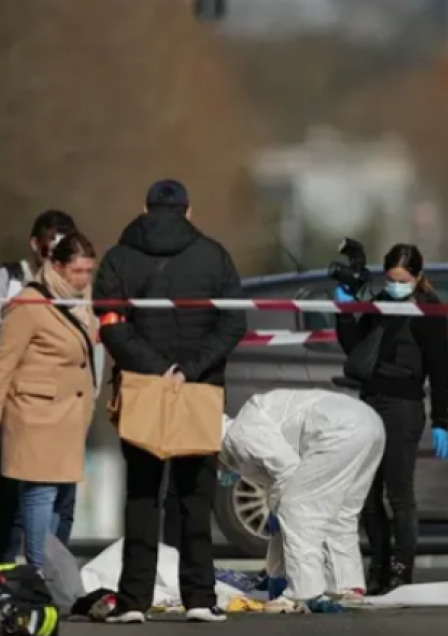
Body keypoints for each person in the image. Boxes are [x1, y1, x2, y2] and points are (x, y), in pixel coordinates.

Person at [94, 179, 247, 624]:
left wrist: (154, 367)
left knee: (142, 497)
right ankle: (198, 598)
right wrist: (190, 368)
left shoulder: (119, 257)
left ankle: (133, 601)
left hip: (141, 387)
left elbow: (110, 323)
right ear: (189, 211)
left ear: (144, 209)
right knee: (194, 498)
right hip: (198, 389)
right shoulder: (215, 256)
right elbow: (232, 322)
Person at [335, 244, 448, 595]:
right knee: (368, 495)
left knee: (399, 493)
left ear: (416, 278)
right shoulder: (378, 305)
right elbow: (355, 349)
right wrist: (344, 312)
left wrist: (441, 419)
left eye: (402, 280)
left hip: (403, 406)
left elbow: (440, 368)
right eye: (390, 279)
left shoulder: (429, 311)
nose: (395, 286)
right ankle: (380, 562)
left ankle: (403, 566)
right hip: (369, 401)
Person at [219, 389, 385, 612]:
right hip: (368, 422)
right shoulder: (246, 426)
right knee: (339, 512)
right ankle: (345, 586)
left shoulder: (238, 435)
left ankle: (303, 591)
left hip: (338, 428)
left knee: (297, 508)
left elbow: (287, 470)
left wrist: (278, 509)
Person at [0, 232, 98, 571]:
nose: (84, 279)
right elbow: (3, 363)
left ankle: (52, 571)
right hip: (35, 414)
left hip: (69, 417)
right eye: (78, 271)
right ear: (56, 266)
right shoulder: (29, 304)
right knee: (39, 494)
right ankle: (37, 570)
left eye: (89, 271)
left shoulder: (79, 303)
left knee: (60, 500)